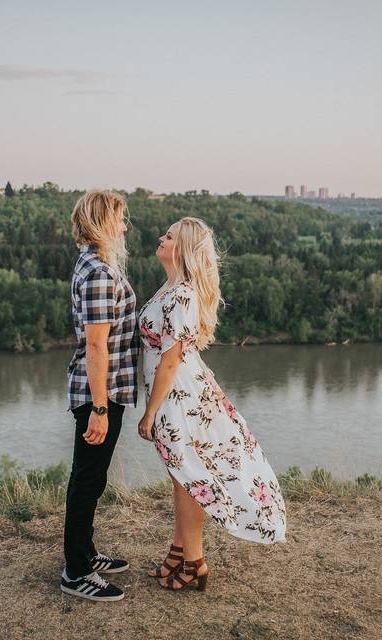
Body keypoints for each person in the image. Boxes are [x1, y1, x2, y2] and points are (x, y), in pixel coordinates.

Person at [136, 217, 287, 592]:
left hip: (178, 400)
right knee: (182, 478)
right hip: (179, 393)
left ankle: (195, 562)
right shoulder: (171, 287)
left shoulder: (183, 294)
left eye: (168, 236)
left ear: (182, 248)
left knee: (190, 480)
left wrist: (150, 412)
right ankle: (178, 551)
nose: (161, 238)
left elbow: (170, 361)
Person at [60, 190, 140, 603]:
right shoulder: (98, 274)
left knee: (91, 477)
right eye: (121, 219)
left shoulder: (97, 265)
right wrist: (100, 408)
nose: (125, 226)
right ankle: (76, 571)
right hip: (99, 394)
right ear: (102, 222)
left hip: (105, 392)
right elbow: (95, 346)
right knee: (87, 479)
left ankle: (86, 553)